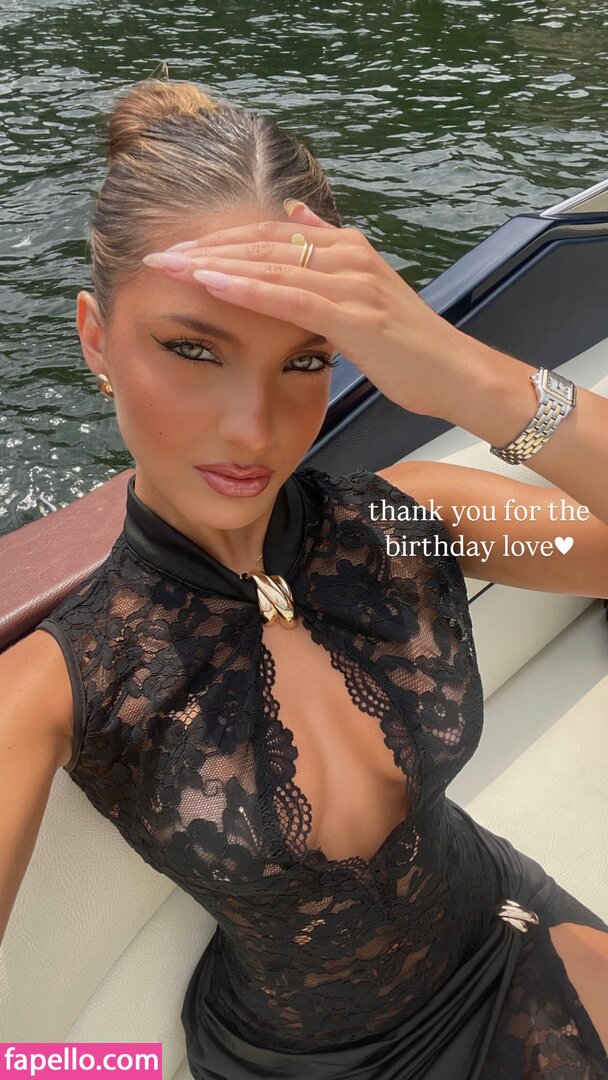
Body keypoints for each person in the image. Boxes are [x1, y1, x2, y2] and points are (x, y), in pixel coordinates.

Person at [2, 71, 608, 1080]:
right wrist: (112, 1070)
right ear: (95, 339)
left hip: (505, 928)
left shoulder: (402, 525)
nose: (253, 428)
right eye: (192, 348)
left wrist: (470, 377)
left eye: (305, 359)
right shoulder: (57, 685)